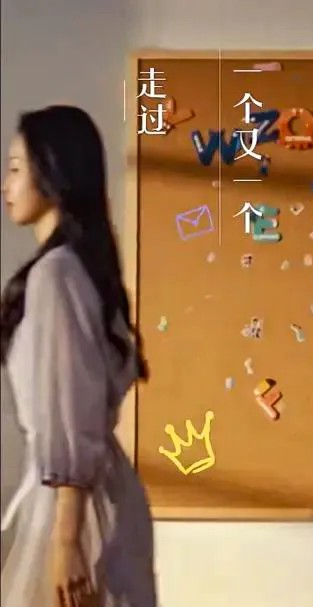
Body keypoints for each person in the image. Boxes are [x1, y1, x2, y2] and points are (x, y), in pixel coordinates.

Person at [0, 106, 157, 606]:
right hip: (86, 495)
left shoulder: (57, 275)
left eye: (16, 168)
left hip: (74, 505)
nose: (5, 185)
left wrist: (67, 539)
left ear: (52, 173)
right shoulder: (74, 269)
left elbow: (73, 410)